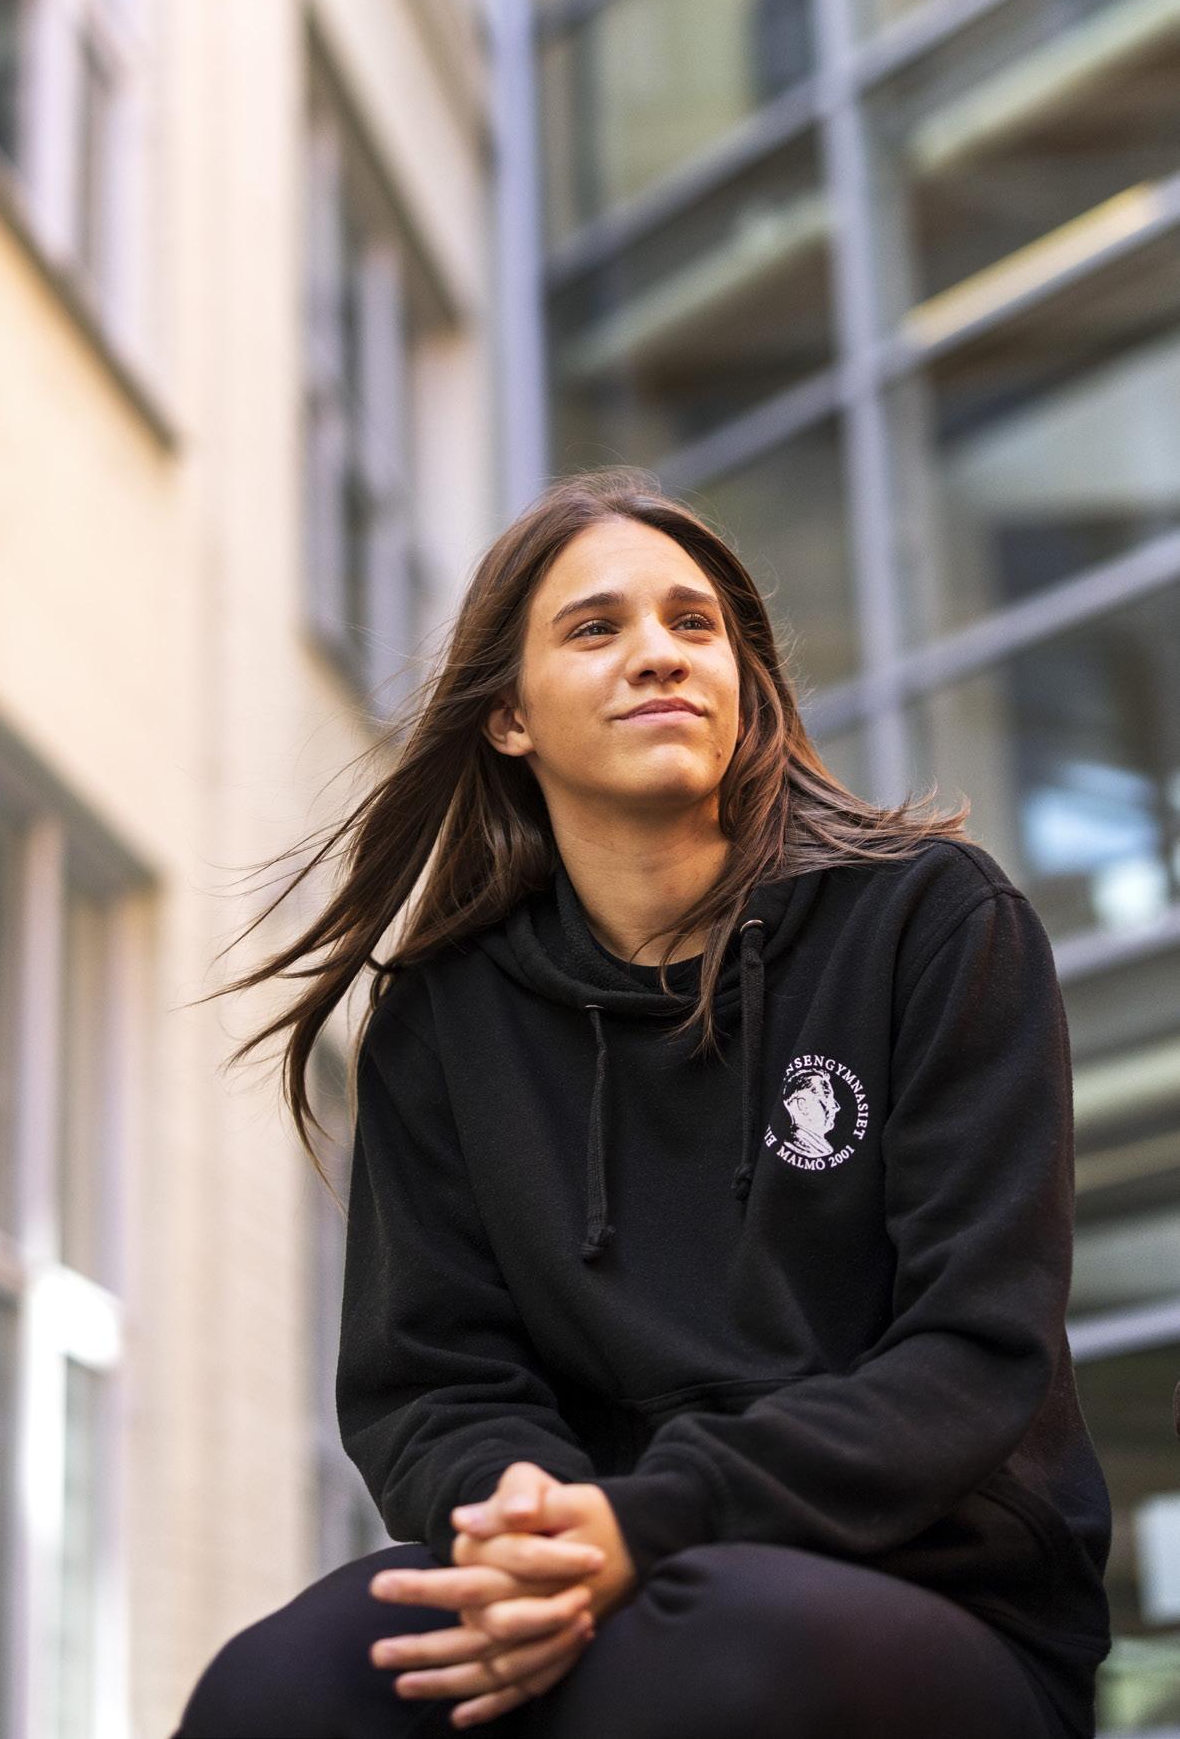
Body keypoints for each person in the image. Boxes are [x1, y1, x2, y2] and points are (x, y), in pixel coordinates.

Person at [172, 468, 1112, 1739]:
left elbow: (971, 1351)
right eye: (595, 627)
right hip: (597, 1566)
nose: (659, 652)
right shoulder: (442, 1019)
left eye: (692, 622)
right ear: (508, 716)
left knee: (687, 1670)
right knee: (278, 1689)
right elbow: (430, 1378)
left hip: (937, 1587)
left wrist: (648, 1519)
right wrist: (534, 1532)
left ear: (741, 683)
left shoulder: (929, 922)